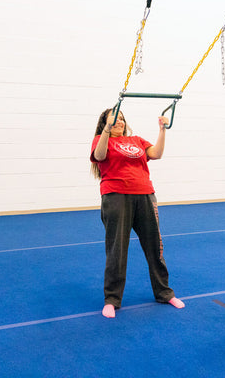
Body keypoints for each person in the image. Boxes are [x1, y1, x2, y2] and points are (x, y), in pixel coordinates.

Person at [90, 108, 185, 318]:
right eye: (114, 120)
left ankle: (164, 292)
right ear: (105, 124)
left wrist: (162, 130)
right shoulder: (101, 139)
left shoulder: (137, 141)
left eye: (122, 119)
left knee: (155, 246)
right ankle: (112, 299)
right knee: (117, 249)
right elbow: (99, 155)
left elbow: (157, 154)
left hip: (145, 195)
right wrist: (107, 129)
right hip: (116, 196)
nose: (120, 122)